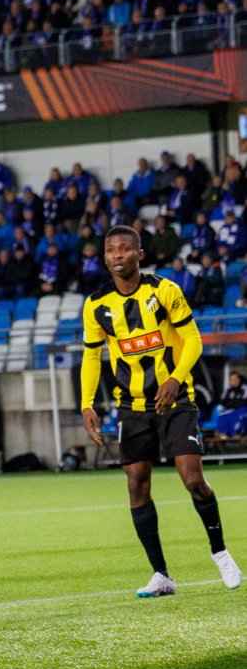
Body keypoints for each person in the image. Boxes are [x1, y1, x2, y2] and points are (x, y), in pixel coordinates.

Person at [80, 225, 242, 598]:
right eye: (111, 250)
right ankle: (161, 575)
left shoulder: (164, 290)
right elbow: (92, 356)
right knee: (136, 483)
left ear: (140, 254)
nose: (117, 255)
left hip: (177, 399)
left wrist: (175, 378)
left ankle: (220, 553)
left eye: (125, 249)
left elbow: (193, 339)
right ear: (105, 257)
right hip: (132, 406)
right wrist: (87, 402)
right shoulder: (96, 304)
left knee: (192, 479)